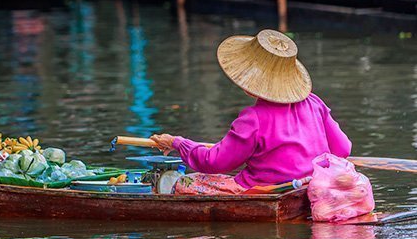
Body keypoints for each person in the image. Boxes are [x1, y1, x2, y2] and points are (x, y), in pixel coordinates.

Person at [151, 29, 352, 195]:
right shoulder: (314, 103)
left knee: (185, 183)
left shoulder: (253, 118)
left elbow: (215, 162)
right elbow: (343, 149)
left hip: (267, 191)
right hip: (311, 187)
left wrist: (178, 143)